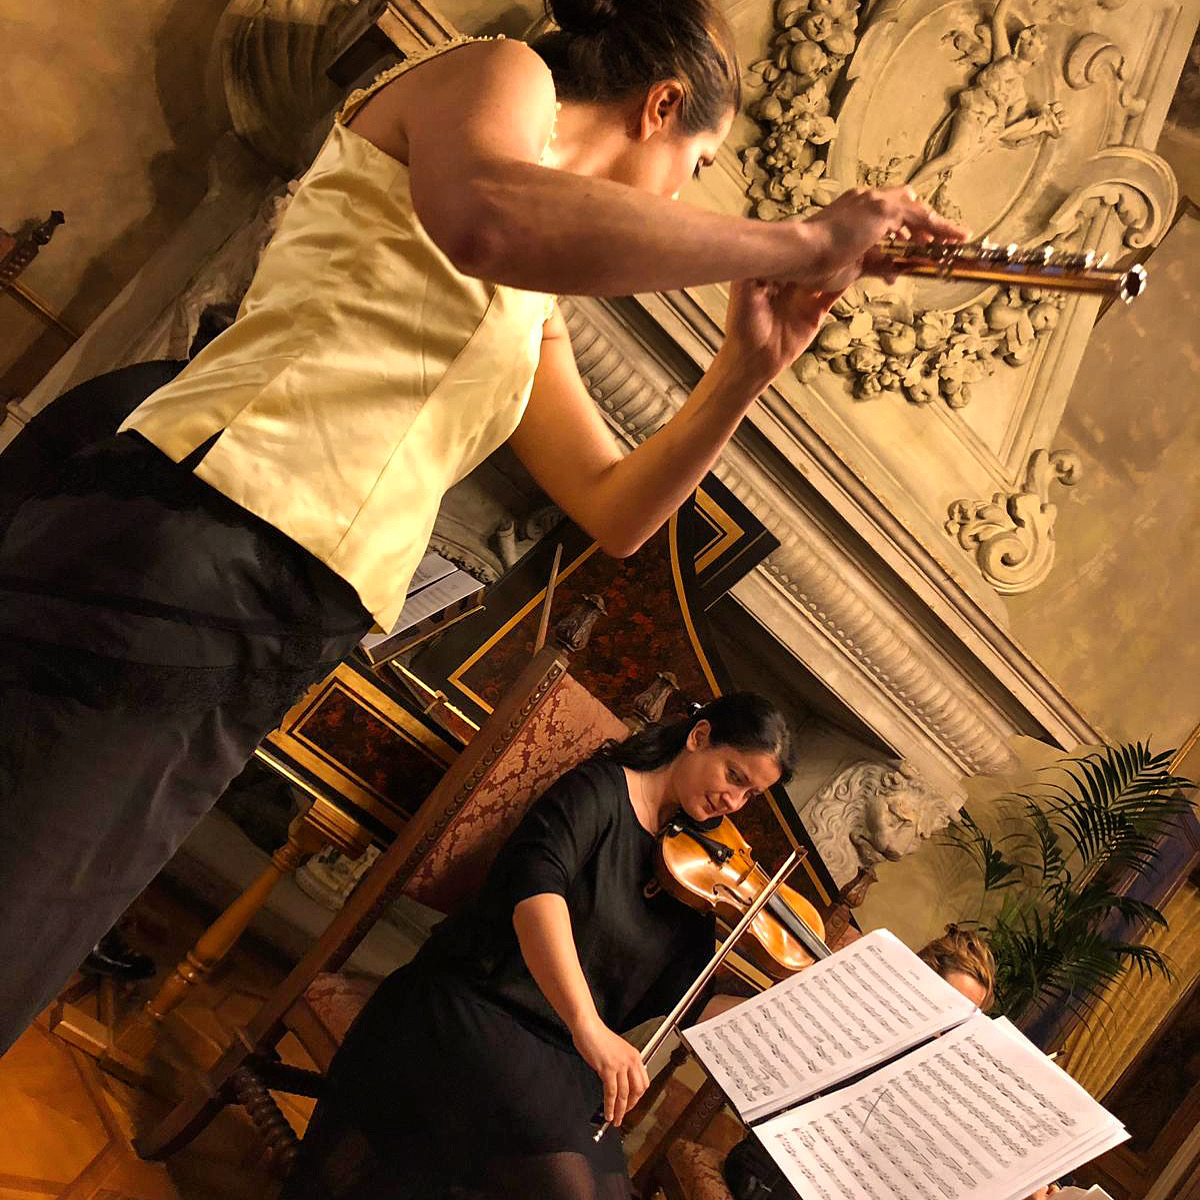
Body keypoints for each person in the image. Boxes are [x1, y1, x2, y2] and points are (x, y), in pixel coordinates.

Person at [0, 0, 963, 1055]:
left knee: (45, 922)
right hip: (203, 528)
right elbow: (487, 218)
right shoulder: (500, 73)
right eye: (697, 166)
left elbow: (614, 507)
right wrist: (801, 238)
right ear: (660, 105)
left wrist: (744, 372)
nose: (683, 200)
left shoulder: (533, 301)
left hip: (286, 619)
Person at [280, 692, 794, 1200]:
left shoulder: (696, 870)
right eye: (734, 776)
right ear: (698, 737)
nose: (733, 803)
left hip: (559, 1058)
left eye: (750, 796)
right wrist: (589, 1026)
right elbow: (535, 893)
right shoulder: (599, 791)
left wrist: (785, 1006)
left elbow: (692, 999)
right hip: (473, 1006)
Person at [724, 926, 1061, 1200]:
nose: (952, 1029)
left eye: (967, 1018)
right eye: (950, 1007)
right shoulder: (871, 1026)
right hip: (771, 1175)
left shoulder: (944, 1076)